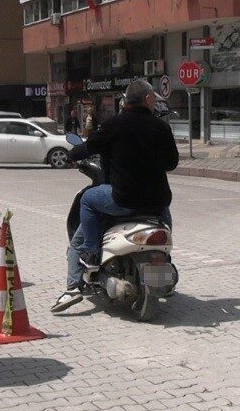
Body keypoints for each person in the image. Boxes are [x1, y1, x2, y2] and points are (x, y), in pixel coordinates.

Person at [51, 80, 178, 312]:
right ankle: (165, 265)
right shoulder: (161, 127)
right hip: (156, 202)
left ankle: (89, 257)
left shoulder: (113, 125)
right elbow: (171, 163)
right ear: (148, 99)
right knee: (163, 220)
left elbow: (89, 147)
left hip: (124, 200)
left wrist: (71, 155)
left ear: (126, 101)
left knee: (88, 199)